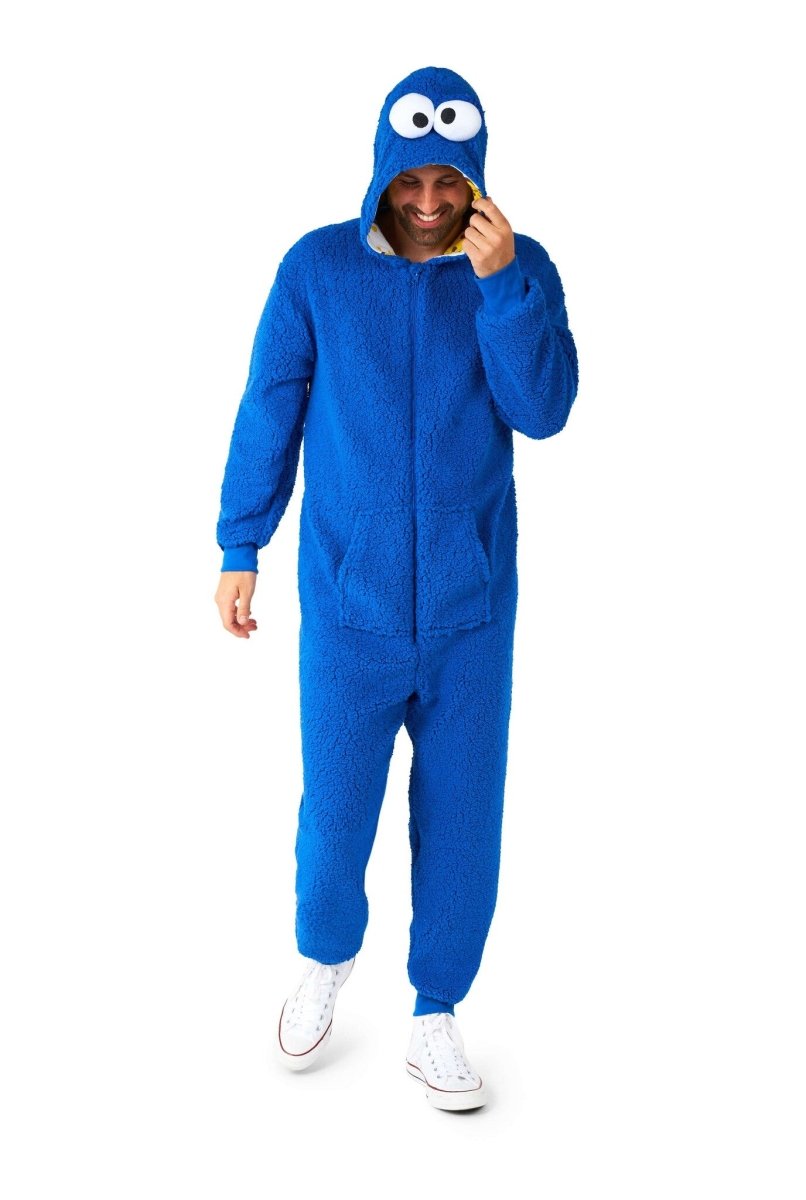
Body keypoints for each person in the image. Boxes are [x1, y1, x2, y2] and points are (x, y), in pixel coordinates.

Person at [214, 64, 579, 1111]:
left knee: (462, 819)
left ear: (476, 177)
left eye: (448, 181)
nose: (427, 202)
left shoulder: (520, 267)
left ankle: (434, 1012)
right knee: (335, 815)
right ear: (381, 171)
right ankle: (326, 957)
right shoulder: (317, 268)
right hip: (348, 603)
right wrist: (241, 543)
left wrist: (502, 284)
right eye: (410, 181)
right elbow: (270, 404)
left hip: (471, 611)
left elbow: (544, 409)